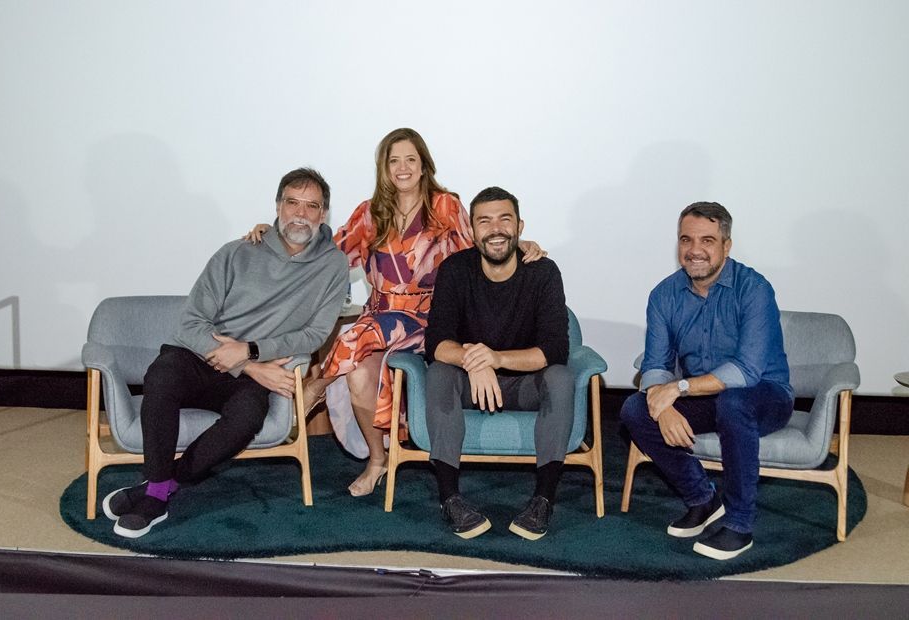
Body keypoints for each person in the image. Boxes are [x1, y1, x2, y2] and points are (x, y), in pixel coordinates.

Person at [246, 128, 545, 497]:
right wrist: (273, 233)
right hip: (380, 316)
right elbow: (326, 250)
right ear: (384, 168)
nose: (402, 168)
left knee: (353, 336)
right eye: (394, 161)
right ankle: (378, 460)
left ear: (423, 166)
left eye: (410, 160)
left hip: (430, 319)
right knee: (357, 377)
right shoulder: (370, 212)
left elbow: (478, 247)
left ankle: (316, 386)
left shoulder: (445, 206)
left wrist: (522, 244)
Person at [102, 168, 349, 538]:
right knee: (162, 374)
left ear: (324, 214)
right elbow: (190, 324)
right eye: (292, 203)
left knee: (249, 415)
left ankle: (161, 486)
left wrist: (250, 351)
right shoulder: (237, 252)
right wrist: (248, 364)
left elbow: (313, 334)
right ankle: (156, 491)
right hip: (203, 358)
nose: (301, 213)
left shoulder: (333, 266)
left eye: (311, 206)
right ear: (278, 207)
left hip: (254, 362)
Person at [620, 202, 793, 560]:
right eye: (686, 239)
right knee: (634, 409)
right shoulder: (664, 295)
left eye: (707, 240)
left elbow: (746, 372)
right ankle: (703, 498)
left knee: (734, 401)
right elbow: (655, 364)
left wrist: (678, 389)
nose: (695, 250)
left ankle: (740, 523)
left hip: (765, 396)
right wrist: (661, 404)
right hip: (705, 395)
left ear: (726, 246)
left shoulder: (755, 289)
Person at [423, 186, 573, 541]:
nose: (496, 229)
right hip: (471, 387)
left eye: (505, 219)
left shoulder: (543, 272)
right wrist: (474, 362)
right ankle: (450, 498)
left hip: (525, 386)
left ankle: (543, 499)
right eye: (484, 221)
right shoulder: (455, 270)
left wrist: (496, 358)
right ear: (472, 230)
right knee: (440, 373)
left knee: (561, 377)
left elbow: (554, 349)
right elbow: (436, 343)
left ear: (520, 225)